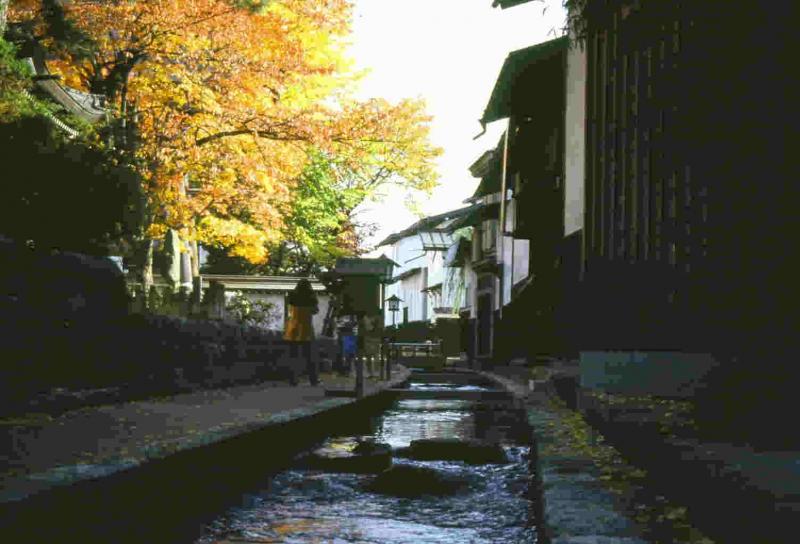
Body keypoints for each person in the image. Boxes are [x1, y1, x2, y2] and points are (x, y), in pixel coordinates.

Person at [284, 279, 319, 385]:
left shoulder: (291, 296)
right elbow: (315, 311)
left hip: (293, 329)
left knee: (293, 356)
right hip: (306, 329)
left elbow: (288, 312)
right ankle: (313, 380)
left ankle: (293, 380)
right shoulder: (312, 297)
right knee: (310, 357)